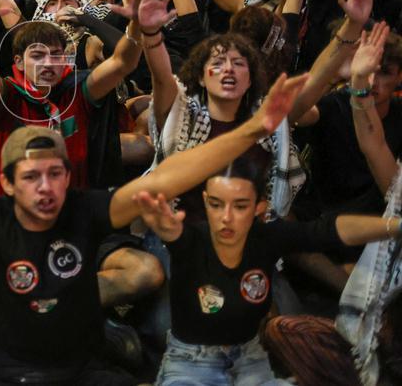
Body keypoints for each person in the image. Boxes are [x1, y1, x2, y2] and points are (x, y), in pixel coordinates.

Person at [0, 38, 309, 384]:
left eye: (55, 174)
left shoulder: (85, 209)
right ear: (7, 184)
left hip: (82, 370)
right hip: (7, 374)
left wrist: (254, 130)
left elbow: (166, 178)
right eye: (30, 178)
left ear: (68, 177)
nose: (45, 188)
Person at [138, 157, 400, 386]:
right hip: (191, 362)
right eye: (216, 204)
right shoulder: (188, 239)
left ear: (259, 208)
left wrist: (395, 226)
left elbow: (329, 231)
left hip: (250, 359)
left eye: (240, 206)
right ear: (205, 201)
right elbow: (167, 229)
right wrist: (165, 228)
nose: (226, 217)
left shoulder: (267, 237)